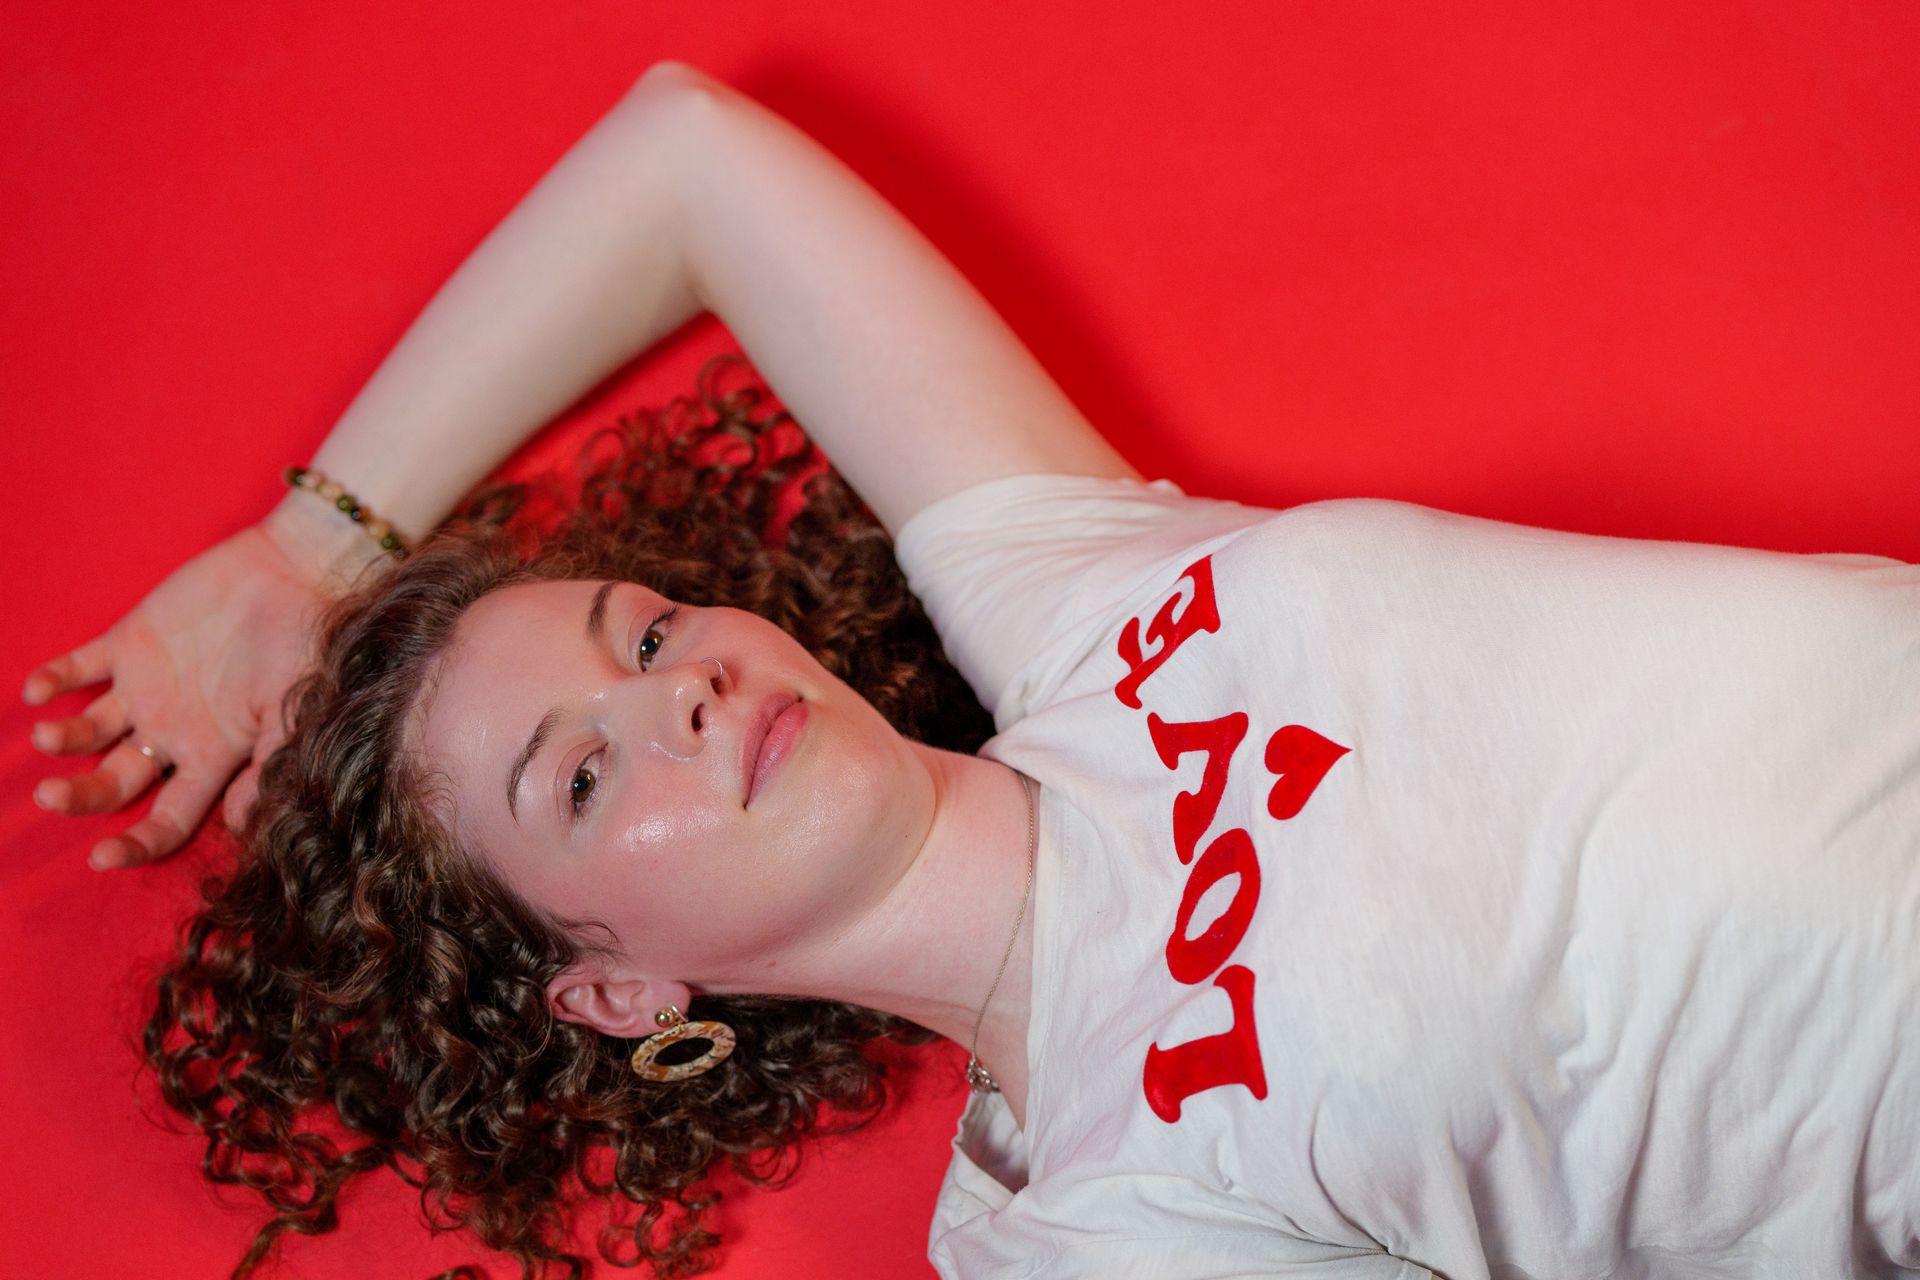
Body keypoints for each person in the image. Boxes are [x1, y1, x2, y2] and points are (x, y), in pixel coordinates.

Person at [21, 58, 1920, 1280]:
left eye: (651, 634)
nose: (670, 694)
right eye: (581, 777)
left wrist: (302, 556)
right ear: (615, 990)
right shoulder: (1085, 1222)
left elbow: (686, 158)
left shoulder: (1069, 605)